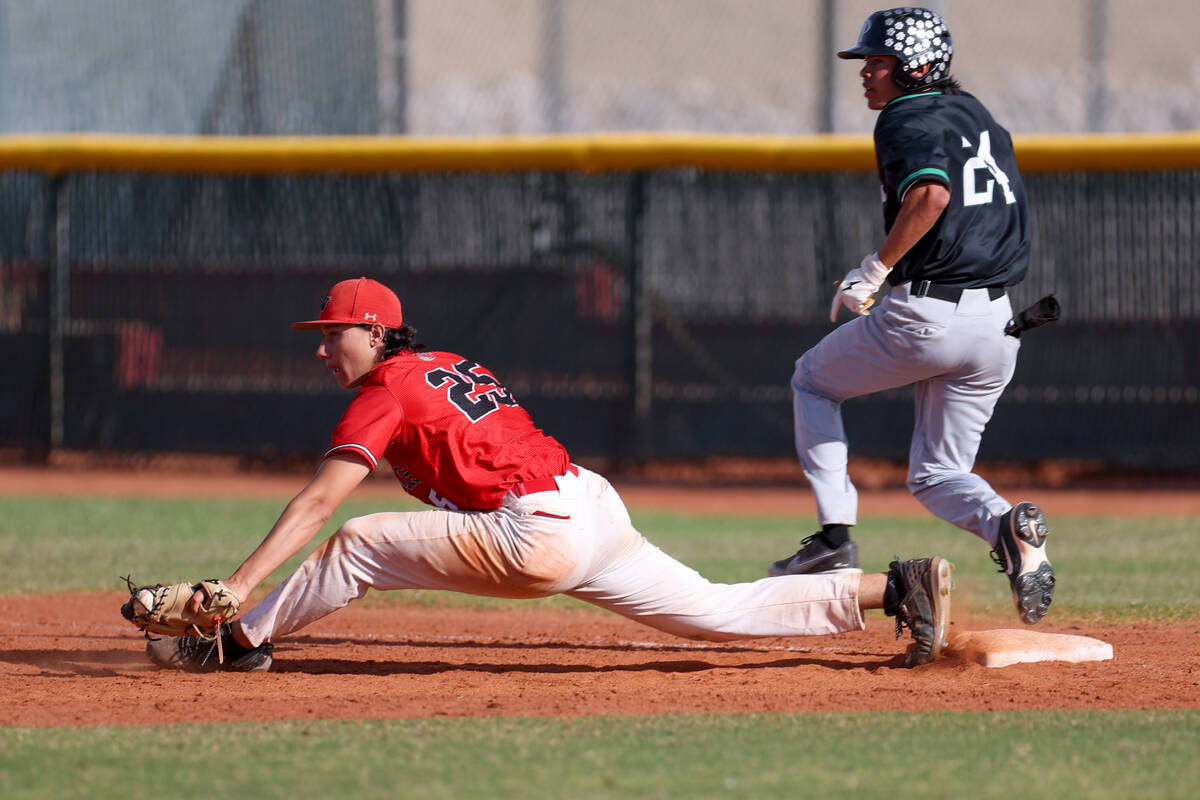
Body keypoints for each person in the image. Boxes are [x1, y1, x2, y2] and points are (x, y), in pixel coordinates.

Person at [147, 276, 954, 673]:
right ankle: (900, 586)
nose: (323, 349)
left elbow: (319, 499)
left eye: (334, 334)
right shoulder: (441, 363)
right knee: (718, 610)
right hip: (587, 505)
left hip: (536, 529)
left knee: (355, 542)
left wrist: (241, 580)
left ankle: (237, 641)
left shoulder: (381, 389)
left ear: (372, 329)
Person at [766, 8, 1054, 626]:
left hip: (929, 312)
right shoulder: (975, 113)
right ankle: (1009, 529)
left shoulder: (905, 114)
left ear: (917, 67)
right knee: (938, 475)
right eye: (867, 62)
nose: (867, 73)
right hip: (998, 323)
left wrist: (873, 270)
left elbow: (931, 194)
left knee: (812, 380)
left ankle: (834, 540)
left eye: (880, 61)